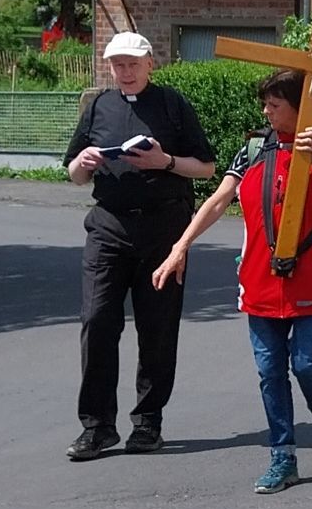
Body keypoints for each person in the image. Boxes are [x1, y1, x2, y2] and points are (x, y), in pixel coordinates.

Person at [151, 69, 312, 494]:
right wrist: (181, 246)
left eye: (274, 105)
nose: (265, 111)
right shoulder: (253, 149)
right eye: (265, 104)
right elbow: (219, 199)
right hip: (260, 278)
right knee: (269, 371)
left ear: (300, 110)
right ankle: (282, 457)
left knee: (306, 363)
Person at [61, 31, 217, 460]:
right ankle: (96, 427)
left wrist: (164, 161)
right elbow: (73, 174)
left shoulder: (172, 105)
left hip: (163, 233)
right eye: (117, 65)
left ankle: (148, 424)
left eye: (132, 64)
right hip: (108, 230)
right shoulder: (98, 106)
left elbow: (205, 168)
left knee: (158, 330)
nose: (125, 72)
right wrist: (83, 162)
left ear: (151, 63)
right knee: (96, 322)